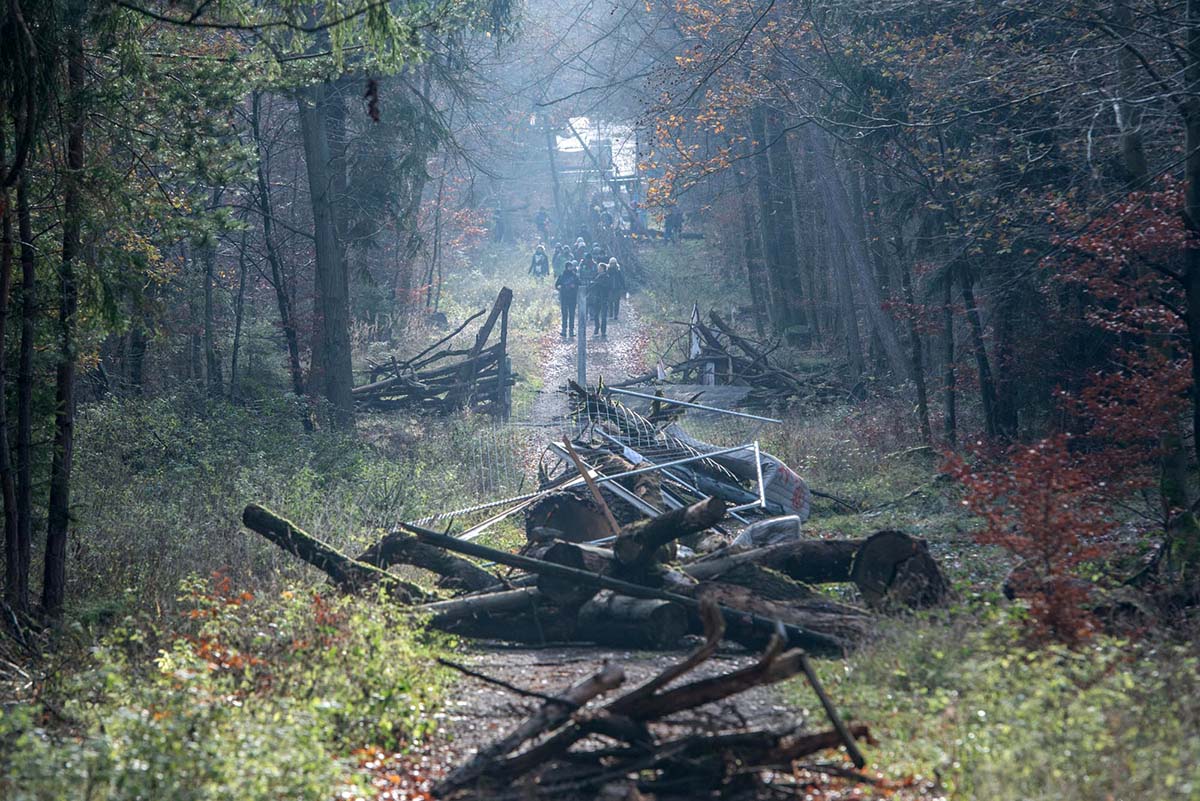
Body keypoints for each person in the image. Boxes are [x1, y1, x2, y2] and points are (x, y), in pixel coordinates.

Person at [555, 261, 579, 338]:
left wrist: (574, 286)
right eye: (569, 266)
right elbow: (556, 285)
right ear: (566, 267)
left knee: (572, 315)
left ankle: (571, 330)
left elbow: (580, 284)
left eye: (571, 266)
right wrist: (560, 288)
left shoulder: (574, 276)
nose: (570, 268)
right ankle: (564, 330)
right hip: (564, 298)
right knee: (564, 314)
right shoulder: (562, 276)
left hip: (572, 298)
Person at [590, 262, 611, 339]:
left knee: (603, 316)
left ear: (603, 269)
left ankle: (603, 331)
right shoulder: (597, 276)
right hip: (597, 298)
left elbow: (608, 287)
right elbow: (593, 286)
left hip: (604, 298)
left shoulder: (607, 277)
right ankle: (596, 328)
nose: (598, 269)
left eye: (600, 268)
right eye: (598, 268)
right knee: (596, 315)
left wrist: (599, 284)